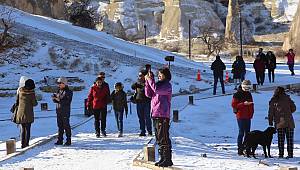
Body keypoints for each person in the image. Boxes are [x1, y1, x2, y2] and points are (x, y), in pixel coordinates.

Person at [145, 67, 173, 167]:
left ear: (166, 75)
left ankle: (167, 158)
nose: (159, 76)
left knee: (163, 137)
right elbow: (148, 94)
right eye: (158, 74)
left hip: (163, 114)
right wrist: (147, 82)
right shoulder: (157, 84)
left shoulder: (167, 86)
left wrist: (150, 80)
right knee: (158, 138)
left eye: (161, 74)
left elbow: (156, 90)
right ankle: (162, 158)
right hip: (155, 113)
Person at [268, 87, 296, 158]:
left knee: (281, 140)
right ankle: (290, 154)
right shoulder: (287, 98)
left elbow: (270, 112)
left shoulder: (273, 100)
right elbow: (294, 108)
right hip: (289, 122)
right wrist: (288, 112)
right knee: (290, 139)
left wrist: (270, 121)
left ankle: (281, 154)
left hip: (279, 123)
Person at [231, 80, 254, 156]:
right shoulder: (237, 94)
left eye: (249, 88)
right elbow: (234, 105)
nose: (248, 89)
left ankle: (247, 149)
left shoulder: (249, 94)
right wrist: (243, 104)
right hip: (240, 116)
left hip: (248, 116)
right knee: (241, 132)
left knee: (248, 133)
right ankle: (240, 149)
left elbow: (251, 105)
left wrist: (251, 113)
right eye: (246, 88)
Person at [15, 79, 38, 148]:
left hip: (20, 113)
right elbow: (34, 104)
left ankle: (22, 144)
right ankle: (26, 143)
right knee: (28, 129)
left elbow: (17, 101)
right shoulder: (31, 94)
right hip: (28, 114)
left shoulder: (20, 91)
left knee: (23, 129)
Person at [52, 77, 73, 146]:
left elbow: (67, 101)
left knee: (66, 126)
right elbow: (57, 100)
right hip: (58, 111)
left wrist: (58, 99)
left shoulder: (69, 92)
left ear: (64, 83)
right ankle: (60, 140)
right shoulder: (59, 91)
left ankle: (68, 140)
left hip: (65, 111)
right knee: (60, 126)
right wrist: (54, 98)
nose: (59, 85)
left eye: (60, 83)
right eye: (58, 83)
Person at [131, 70, 152, 136]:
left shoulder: (148, 82)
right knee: (141, 118)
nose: (139, 77)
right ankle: (142, 131)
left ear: (145, 76)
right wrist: (135, 85)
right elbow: (132, 87)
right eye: (139, 75)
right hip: (139, 102)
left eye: (141, 75)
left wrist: (142, 85)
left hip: (147, 102)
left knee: (147, 117)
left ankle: (149, 131)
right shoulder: (138, 82)